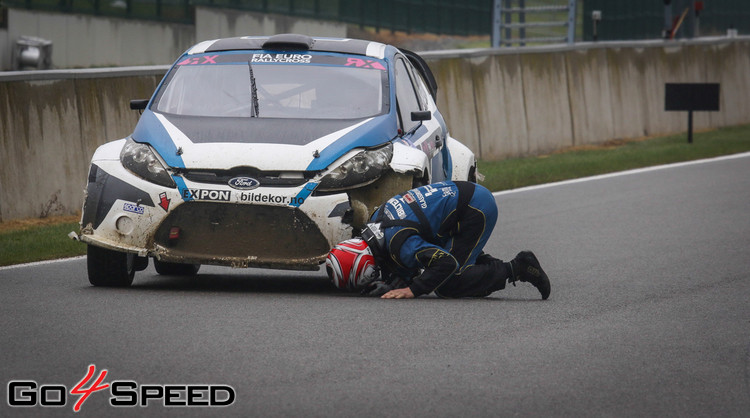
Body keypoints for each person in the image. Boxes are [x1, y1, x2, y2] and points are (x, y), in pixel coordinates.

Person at [325, 181, 551, 300]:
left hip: (475, 208)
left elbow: (446, 263)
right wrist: (395, 281)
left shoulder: (399, 243)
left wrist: (413, 289)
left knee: (447, 284)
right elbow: (408, 252)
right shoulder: (376, 220)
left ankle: (517, 268)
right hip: (461, 199)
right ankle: (487, 265)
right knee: (438, 264)